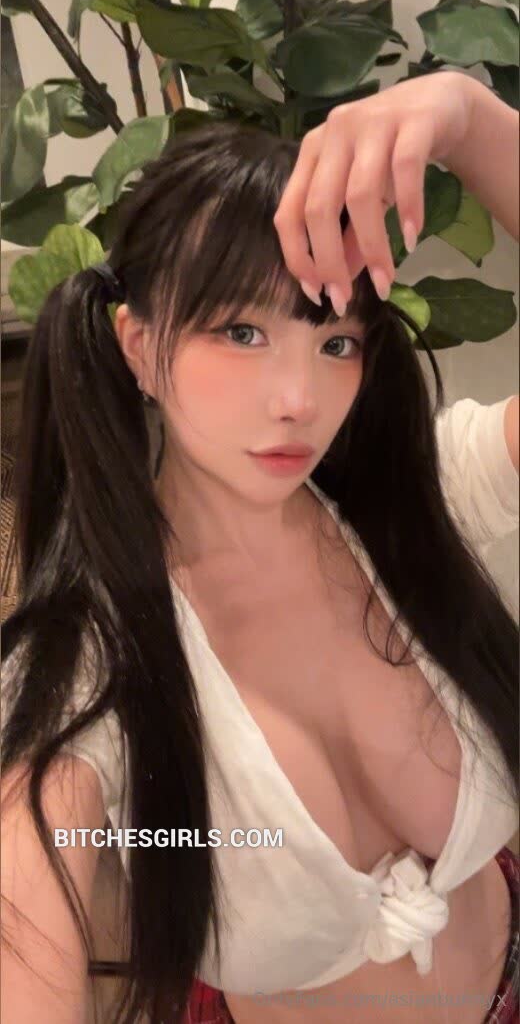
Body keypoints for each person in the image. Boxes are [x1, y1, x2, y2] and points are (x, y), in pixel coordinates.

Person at [1, 69, 518, 1024]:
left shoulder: (416, 506)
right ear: (137, 346)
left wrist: (469, 116)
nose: (298, 400)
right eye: (242, 331)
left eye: (336, 342)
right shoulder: (88, 665)